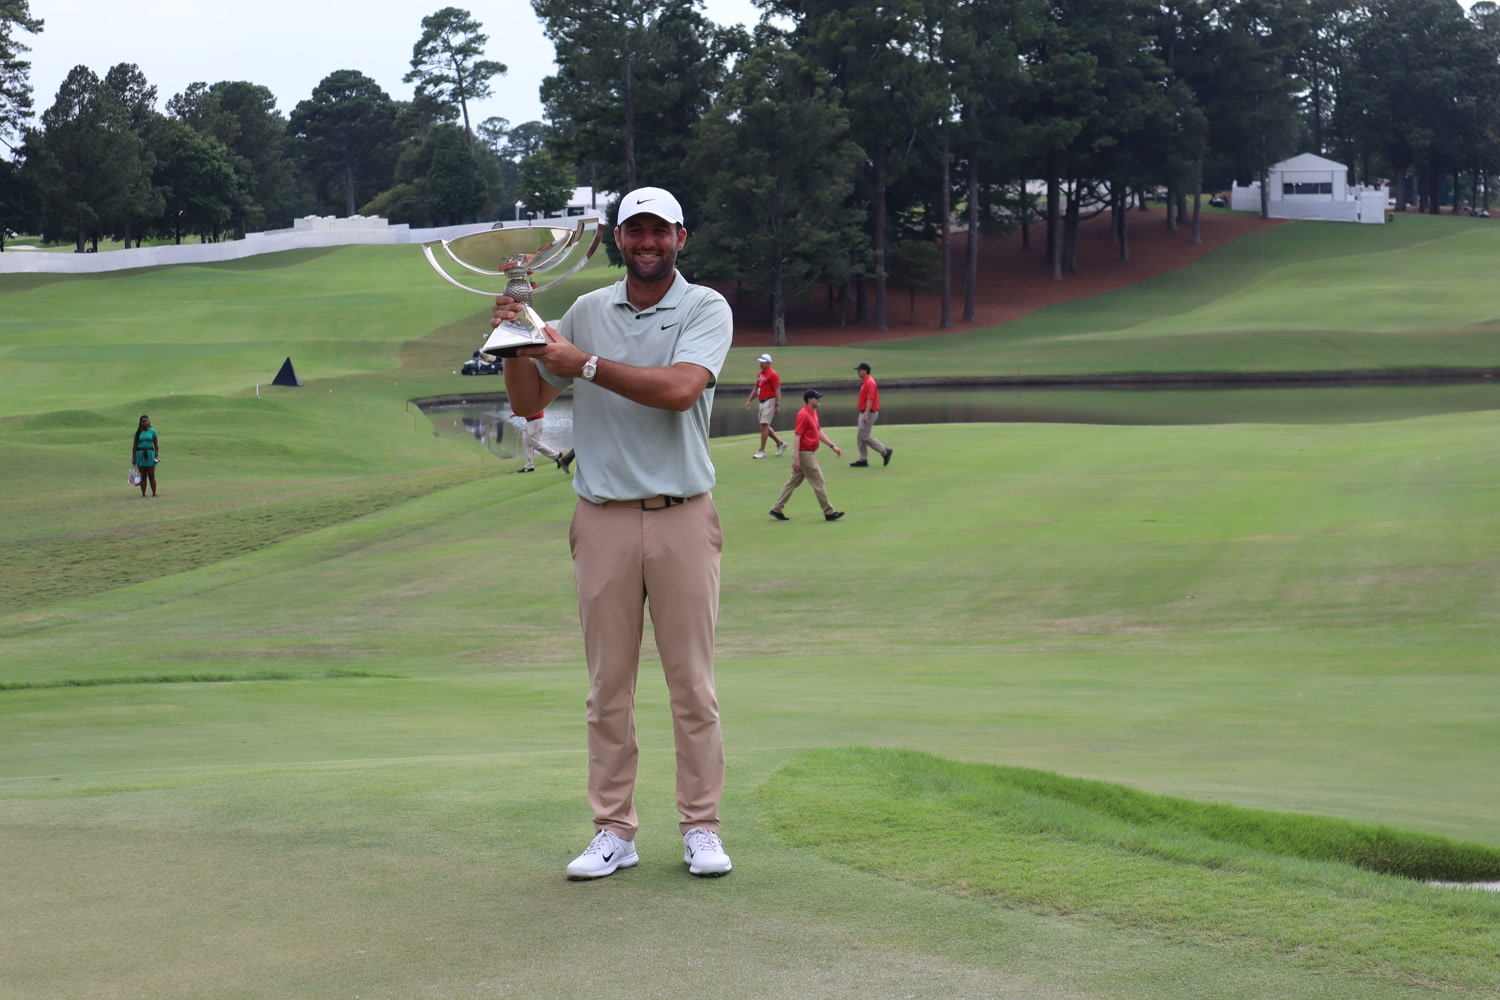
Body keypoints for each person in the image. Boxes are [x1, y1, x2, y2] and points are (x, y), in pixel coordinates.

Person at [493, 186, 735, 880]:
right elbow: (530, 401)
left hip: (682, 514)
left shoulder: (704, 306)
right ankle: (614, 831)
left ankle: (701, 827)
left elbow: (682, 389)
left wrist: (588, 366)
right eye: (635, 231)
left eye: (660, 230)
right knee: (608, 689)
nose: (648, 242)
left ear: (680, 237)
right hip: (600, 517)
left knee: (692, 687)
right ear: (619, 238)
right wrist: (516, 336)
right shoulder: (586, 311)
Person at [768, 390, 844, 522]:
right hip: (805, 454)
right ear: (810, 399)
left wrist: (832, 446)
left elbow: (818, 432)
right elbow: (797, 436)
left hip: (807, 452)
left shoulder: (813, 413)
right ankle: (829, 512)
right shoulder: (803, 415)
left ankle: (776, 508)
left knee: (793, 482)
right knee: (818, 481)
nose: (819, 400)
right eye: (817, 398)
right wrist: (796, 458)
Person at [850, 362, 893, 468]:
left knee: (863, 436)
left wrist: (866, 414)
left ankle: (884, 451)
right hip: (865, 412)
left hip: (869, 412)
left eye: (859, 370)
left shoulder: (869, 382)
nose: (858, 372)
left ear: (864, 371)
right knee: (860, 436)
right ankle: (862, 460)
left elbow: (870, 399)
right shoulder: (865, 381)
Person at [743, 353, 786, 459]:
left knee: (764, 425)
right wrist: (749, 401)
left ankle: (762, 451)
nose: (760, 364)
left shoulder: (773, 374)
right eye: (760, 362)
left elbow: (777, 390)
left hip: (770, 401)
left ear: (769, 363)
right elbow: (756, 389)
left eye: (763, 362)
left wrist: (776, 405)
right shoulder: (760, 375)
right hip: (762, 402)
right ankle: (780, 444)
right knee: (764, 426)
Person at [515, 409, 564, 473]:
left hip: (535, 421)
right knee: (526, 444)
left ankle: (557, 455)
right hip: (528, 422)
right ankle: (529, 466)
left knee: (535, 444)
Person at [131, 414, 160, 497]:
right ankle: (143, 494)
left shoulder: (153, 431)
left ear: (148, 422)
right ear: (140, 423)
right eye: (142, 421)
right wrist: (133, 457)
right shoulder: (137, 433)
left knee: (151, 475)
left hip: (150, 454)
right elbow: (134, 446)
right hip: (140, 454)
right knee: (142, 476)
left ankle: (154, 493)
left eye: (146, 421)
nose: (144, 423)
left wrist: (156, 455)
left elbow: (156, 445)